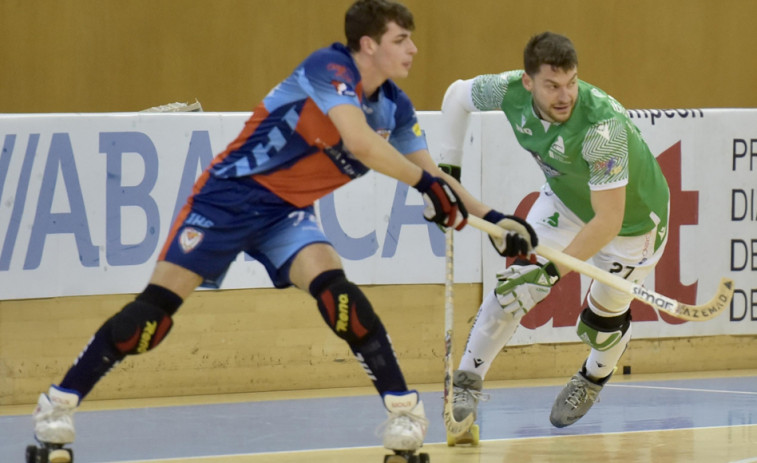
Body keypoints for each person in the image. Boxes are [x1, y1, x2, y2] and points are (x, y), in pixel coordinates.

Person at [30, 0, 538, 459]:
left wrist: (494, 220)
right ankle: (58, 404)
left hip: (284, 214)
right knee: (152, 318)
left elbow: (435, 175)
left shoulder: (396, 107)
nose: (414, 49)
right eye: (401, 40)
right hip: (227, 200)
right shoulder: (328, 69)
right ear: (368, 46)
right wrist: (428, 186)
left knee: (340, 298)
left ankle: (404, 414)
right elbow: (360, 144)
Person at [437, 31, 670, 429]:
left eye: (571, 82)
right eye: (552, 86)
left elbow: (608, 221)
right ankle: (466, 381)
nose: (565, 96)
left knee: (601, 323)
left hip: (633, 225)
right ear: (528, 82)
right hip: (566, 200)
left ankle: (593, 376)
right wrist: (448, 175)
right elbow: (457, 96)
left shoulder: (602, 129)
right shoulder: (507, 90)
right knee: (515, 287)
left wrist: (551, 273)